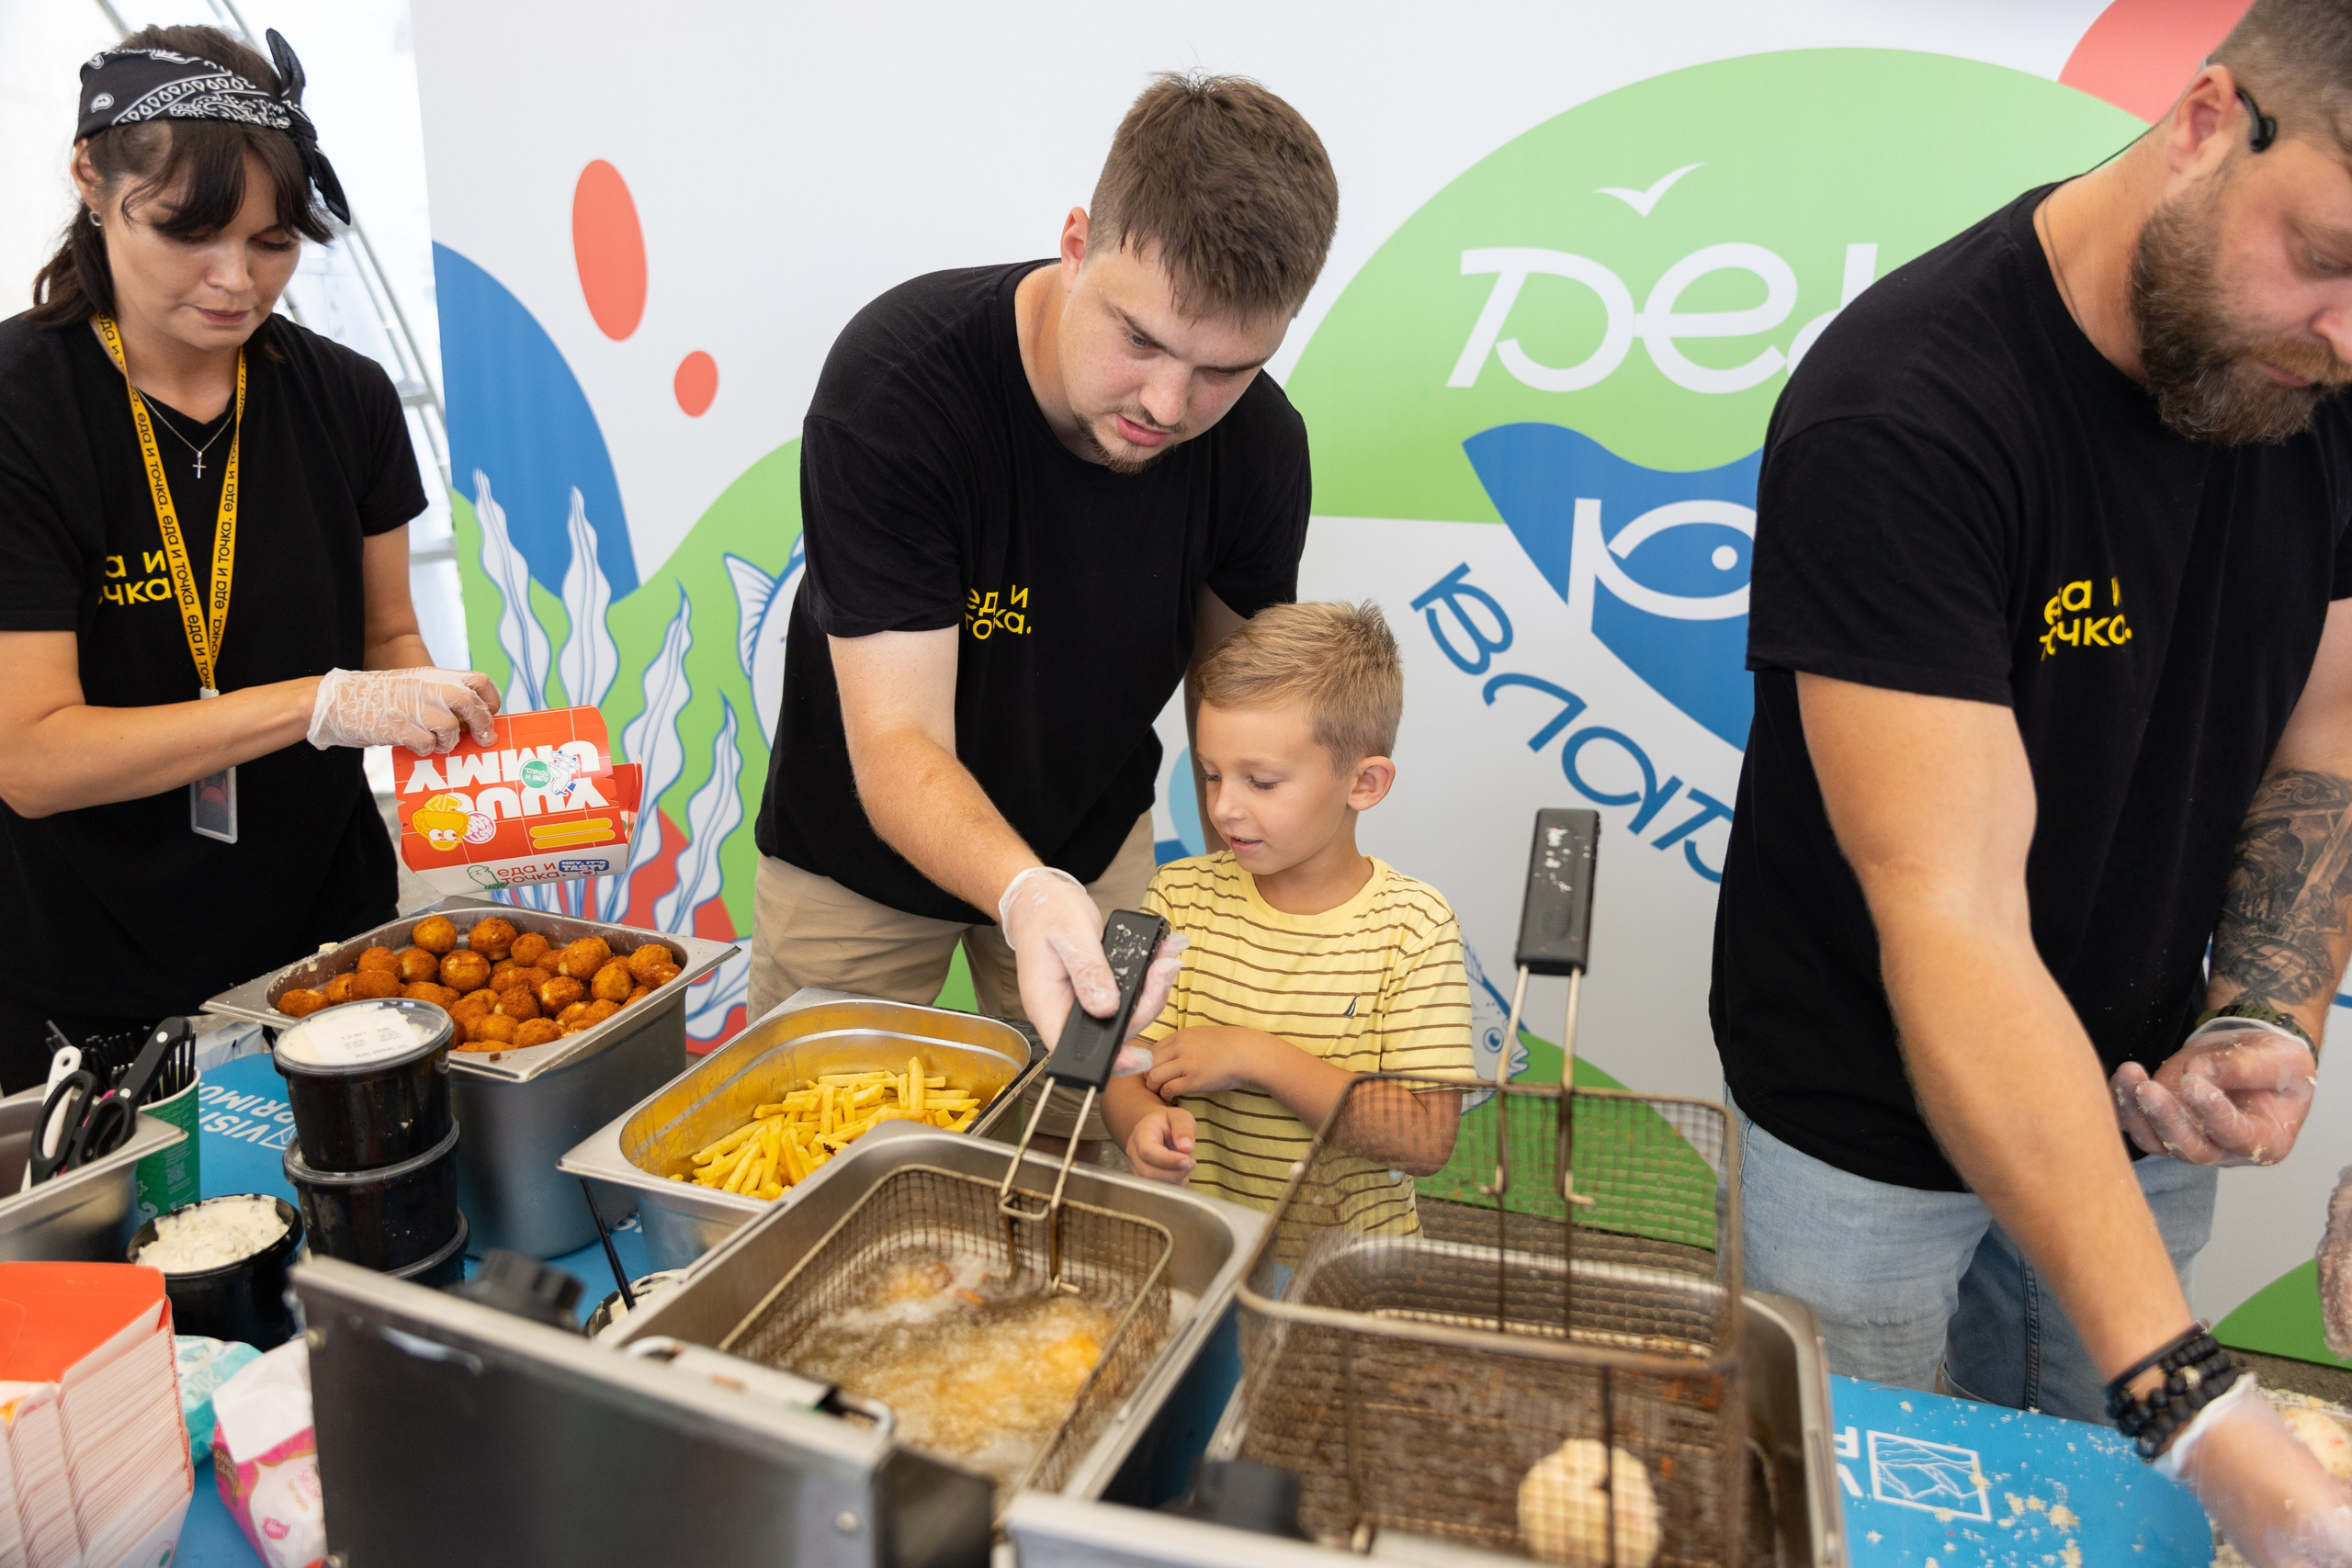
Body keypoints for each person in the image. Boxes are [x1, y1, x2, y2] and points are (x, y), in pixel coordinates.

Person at [1711, 0, 2352, 1556]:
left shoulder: (2331, 370)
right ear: (2207, 120)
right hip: (1861, 1122)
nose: (2347, 337)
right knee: (1841, 1510)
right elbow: (1955, 917)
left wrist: (2264, 1002)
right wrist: (2192, 1396)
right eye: (2331, 256)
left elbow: (2324, 726)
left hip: (2144, 1099)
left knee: (2095, 1518)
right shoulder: (1910, 413)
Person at [749, 73, 1340, 1076]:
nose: (1166, 401)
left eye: (1223, 370)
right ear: (1076, 243)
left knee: (1084, 1149)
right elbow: (897, 744)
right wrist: (1022, 894)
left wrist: (1289, 891)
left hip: (1091, 831)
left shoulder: (1260, 447)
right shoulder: (899, 389)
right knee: (802, 1143)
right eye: (1140, 339)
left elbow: (1238, 705)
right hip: (855, 854)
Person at [0, 26, 499, 1090]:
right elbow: (32, 761)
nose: (237, 282)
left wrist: (467, 758)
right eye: (190, 233)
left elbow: (386, 637)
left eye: (274, 243)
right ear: (91, 178)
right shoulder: (21, 409)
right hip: (83, 974)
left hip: (328, 954)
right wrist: (319, 704)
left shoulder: (348, 396)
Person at [1106, 602, 1472, 1219]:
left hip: (1345, 1266)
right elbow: (1126, 1066)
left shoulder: (1414, 926)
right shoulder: (1176, 894)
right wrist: (1140, 1123)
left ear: (1365, 783)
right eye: (1212, 774)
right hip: (1202, 1242)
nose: (1223, 808)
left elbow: (1425, 1139)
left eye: (1263, 781)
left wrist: (1255, 1056)